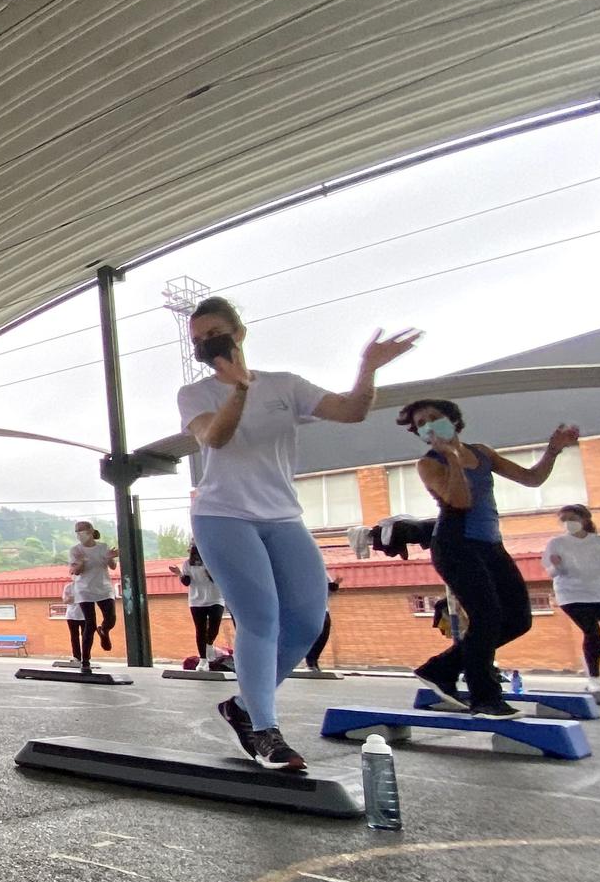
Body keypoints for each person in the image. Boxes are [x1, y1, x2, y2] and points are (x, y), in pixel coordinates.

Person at [180, 296, 419, 769]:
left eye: (214, 333)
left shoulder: (286, 385)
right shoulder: (196, 394)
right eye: (198, 341)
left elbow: (351, 410)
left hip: (282, 516)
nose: (207, 344)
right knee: (260, 619)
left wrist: (368, 368)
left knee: (307, 623)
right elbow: (215, 438)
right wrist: (240, 390)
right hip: (223, 514)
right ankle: (265, 731)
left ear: (239, 332)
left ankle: (243, 708)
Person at [405, 399, 577, 714]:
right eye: (421, 423)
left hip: (491, 545)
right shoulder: (429, 463)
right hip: (456, 545)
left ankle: (440, 669)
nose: (428, 425)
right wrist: (453, 460)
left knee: (518, 619)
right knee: (486, 617)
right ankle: (485, 696)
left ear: (453, 421)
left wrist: (553, 450)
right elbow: (459, 502)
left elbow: (532, 478)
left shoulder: (483, 452)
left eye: (434, 417)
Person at [544, 503, 600, 692]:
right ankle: (595, 678)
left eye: (572, 519)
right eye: (564, 520)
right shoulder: (556, 543)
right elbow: (551, 572)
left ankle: (591, 657)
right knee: (592, 632)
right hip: (572, 594)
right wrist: (557, 566)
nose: (568, 523)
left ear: (584, 520)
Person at [68, 521, 118, 671]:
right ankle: (85, 661)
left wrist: (110, 557)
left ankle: (104, 630)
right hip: (84, 590)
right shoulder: (75, 550)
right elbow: (75, 571)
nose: (79, 534)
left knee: (111, 618)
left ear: (90, 531)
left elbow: (113, 566)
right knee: (89, 624)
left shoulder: (102, 547)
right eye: (76, 532)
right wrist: (81, 562)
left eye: (81, 531)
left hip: (103, 588)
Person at [177, 543, 225, 667]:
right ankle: (203, 659)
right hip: (196, 600)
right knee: (200, 629)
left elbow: (219, 579)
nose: (196, 558)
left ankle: (209, 644)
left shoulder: (212, 561)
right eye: (194, 555)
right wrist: (179, 574)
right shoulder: (187, 564)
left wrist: (209, 572)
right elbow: (186, 582)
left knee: (214, 627)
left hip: (215, 598)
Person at [302, 579, 342, 673]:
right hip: (312, 610)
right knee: (315, 636)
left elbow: (329, 591)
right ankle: (310, 662)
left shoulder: (325, 575)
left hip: (324, 611)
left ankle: (314, 661)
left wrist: (335, 585)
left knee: (324, 636)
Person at [60, 579, 85, 663]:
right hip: (71, 615)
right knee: (74, 637)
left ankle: (86, 656)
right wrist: (72, 598)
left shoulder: (86, 586)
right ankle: (76, 657)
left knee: (86, 636)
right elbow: (65, 601)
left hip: (85, 616)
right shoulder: (69, 587)